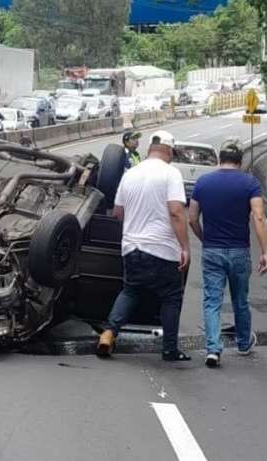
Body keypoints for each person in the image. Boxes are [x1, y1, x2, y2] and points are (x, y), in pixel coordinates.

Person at [96, 130, 192, 362]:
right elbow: (176, 212)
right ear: (169, 150)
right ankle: (169, 349)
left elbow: (117, 212)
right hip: (162, 249)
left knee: (131, 290)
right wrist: (185, 247)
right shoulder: (171, 174)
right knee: (171, 297)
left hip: (132, 247)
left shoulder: (130, 174)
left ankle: (109, 333)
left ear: (150, 148)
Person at [188, 141, 267, 368]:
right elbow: (259, 216)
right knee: (240, 300)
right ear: (240, 161)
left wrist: (204, 238)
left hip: (212, 250)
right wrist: (265, 251)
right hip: (239, 250)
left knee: (212, 301)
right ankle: (243, 343)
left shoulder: (203, 182)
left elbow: (192, 218)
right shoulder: (250, 183)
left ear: (219, 159)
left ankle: (213, 349)